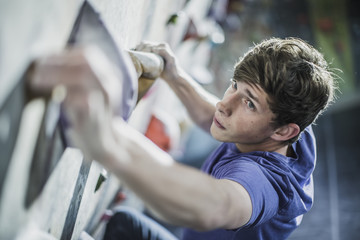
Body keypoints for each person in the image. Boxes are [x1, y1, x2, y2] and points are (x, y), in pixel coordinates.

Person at [30, 37, 337, 240]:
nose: (224, 104)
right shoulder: (287, 125)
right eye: (234, 86)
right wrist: (174, 75)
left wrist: (107, 137)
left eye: (249, 103)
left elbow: (216, 205)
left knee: (122, 224)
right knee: (123, 223)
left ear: (284, 131)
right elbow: (214, 118)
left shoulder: (267, 184)